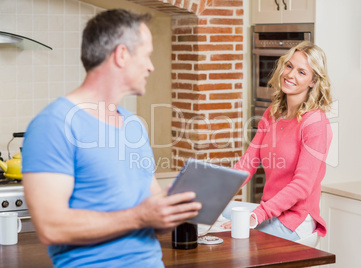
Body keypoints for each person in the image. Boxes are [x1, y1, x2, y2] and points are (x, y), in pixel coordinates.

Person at [22, 9, 201, 267]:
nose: (151, 66)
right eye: (147, 55)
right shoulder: (53, 124)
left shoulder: (133, 125)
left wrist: (172, 210)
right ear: (122, 55)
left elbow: (150, 214)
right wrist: (140, 217)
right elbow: (51, 227)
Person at [222, 41, 332, 242]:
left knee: (226, 236)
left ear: (313, 82)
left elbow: (302, 186)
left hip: (294, 221)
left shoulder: (316, 123)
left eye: (301, 72)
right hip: (269, 212)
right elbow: (248, 162)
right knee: (208, 211)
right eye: (289, 66)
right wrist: (214, 193)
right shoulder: (273, 113)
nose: (290, 75)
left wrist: (256, 216)